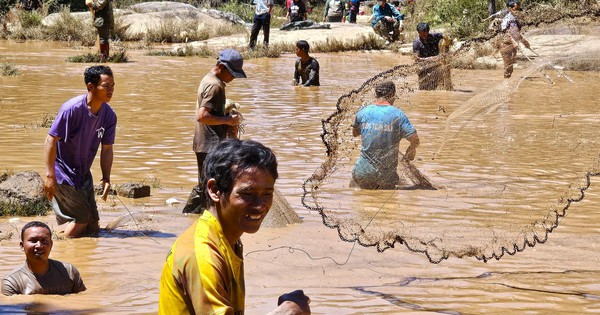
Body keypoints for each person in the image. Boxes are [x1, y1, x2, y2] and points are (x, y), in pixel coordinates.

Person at [159, 139, 311, 315]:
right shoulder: (203, 255)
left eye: (267, 194)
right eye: (247, 194)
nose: (259, 205)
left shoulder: (228, 240)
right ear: (215, 190)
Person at [44, 65, 116, 238]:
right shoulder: (72, 109)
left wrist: (106, 177)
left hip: (83, 174)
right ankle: (61, 249)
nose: (111, 90)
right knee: (82, 219)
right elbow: (50, 140)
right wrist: (49, 176)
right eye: (106, 86)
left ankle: (50, 236)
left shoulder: (109, 115)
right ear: (91, 86)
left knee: (93, 226)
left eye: (113, 86)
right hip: (63, 172)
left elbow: (107, 149)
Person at [183, 49, 245, 214]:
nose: (232, 78)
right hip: (210, 145)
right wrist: (228, 120)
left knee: (206, 184)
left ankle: (190, 217)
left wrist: (225, 115)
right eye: (232, 74)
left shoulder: (209, 79)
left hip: (205, 143)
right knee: (211, 187)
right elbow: (202, 116)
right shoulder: (215, 85)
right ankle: (200, 218)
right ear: (222, 67)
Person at [351, 81, 420, 189]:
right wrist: (412, 149)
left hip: (362, 173)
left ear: (375, 95)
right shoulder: (398, 115)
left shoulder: (363, 112)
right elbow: (414, 139)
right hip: (386, 177)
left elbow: (355, 133)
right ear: (393, 95)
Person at [2, 221, 86, 295]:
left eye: (44, 240)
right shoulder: (12, 282)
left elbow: (84, 301)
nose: (39, 245)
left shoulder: (69, 271)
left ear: (51, 244)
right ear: (22, 246)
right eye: (33, 240)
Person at [412, 22, 451, 90]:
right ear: (418, 32)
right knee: (424, 89)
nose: (423, 34)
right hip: (423, 68)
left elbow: (445, 36)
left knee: (438, 86)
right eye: (421, 33)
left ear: (428, 31)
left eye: (425, 32)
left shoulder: (434, 36)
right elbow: (417, 59)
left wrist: (447, 42)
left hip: (436, 66)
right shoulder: (417, 43)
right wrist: (432, 58)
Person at [499, 0, 530, 78]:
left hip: (512, 44)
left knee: (510, 66)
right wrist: (524, 42)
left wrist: (521, 42)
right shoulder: (510, 19)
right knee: (508, 67)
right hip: (506, 44)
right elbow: (511, 33)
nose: (518, 11)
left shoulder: (514, 18)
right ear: (510, 9)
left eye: (519, 9)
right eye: (516, 9)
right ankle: (505, 86)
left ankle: (506, 82)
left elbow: (515, 33)